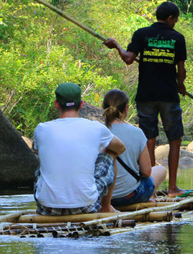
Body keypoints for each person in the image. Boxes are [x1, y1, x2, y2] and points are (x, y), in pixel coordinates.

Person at [104, 1, 187, 197]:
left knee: (149, 139)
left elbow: (128, 58)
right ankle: (173, 188)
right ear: (170, 18)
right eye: (175, 20)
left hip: (146, 95)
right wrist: (180, 85)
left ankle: (151, 185)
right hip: (168, 96)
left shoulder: (142, 34)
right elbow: (181, 71)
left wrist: (115, 44)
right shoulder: (177, 38)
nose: (175, 23)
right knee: (175, 139)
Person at [33, 83, 126, 215]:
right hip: (85, 207)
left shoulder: (41, 129)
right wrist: (96, 152)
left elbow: (36, 150)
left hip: (46, 209)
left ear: (56, 104)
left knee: (42, 165)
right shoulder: (96, 127)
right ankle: (106, 207)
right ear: (81, 104)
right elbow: (120, 148)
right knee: (109, 154)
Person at [102, 89, 167, 207]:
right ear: (126, 108)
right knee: (161, 170)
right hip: (129, 196)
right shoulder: (137, 132)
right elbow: (147, 172)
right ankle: (145, 198)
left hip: (100, 197)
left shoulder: (96, 131)